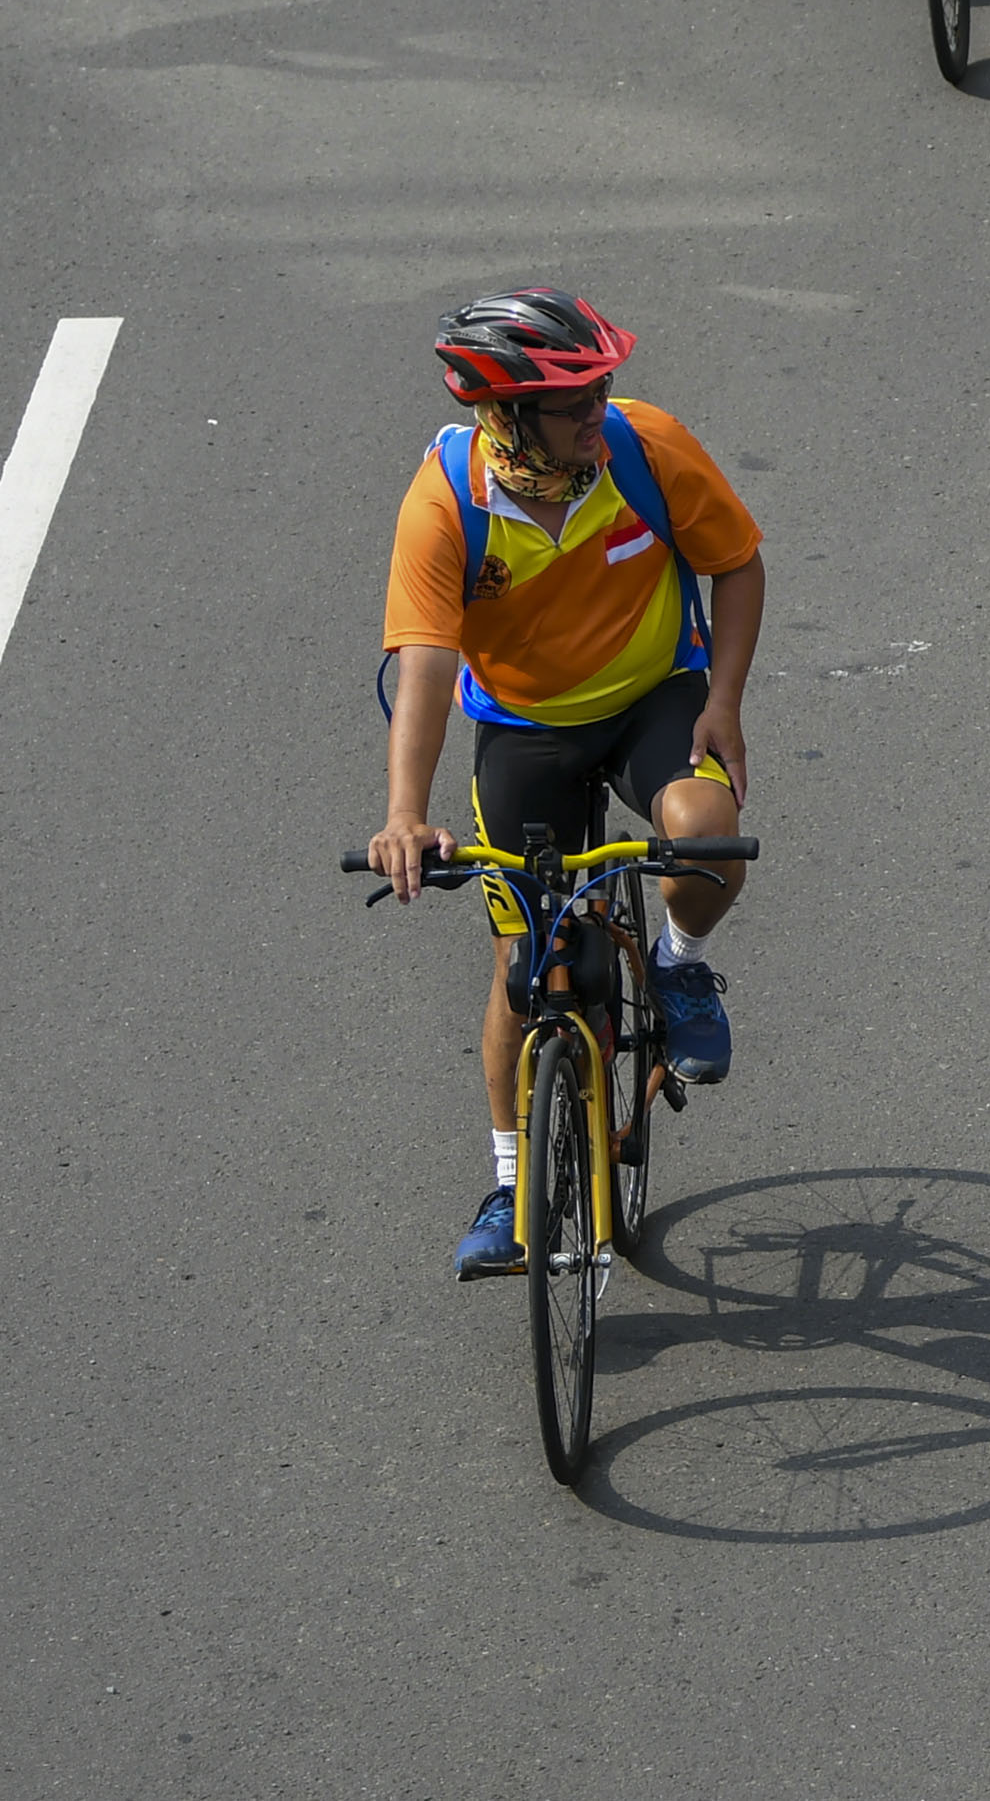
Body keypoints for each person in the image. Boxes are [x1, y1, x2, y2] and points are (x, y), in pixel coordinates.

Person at [362, 292, 767, 1282]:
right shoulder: (445, 503)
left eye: (600, 387)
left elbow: (738, 563)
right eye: (573, 399)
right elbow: (424, 665)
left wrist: (723, 702)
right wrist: (405, 814)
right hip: (524, 730)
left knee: (704, 830)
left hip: (653, 700)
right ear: (507, 416)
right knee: (523, 963)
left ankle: (678, 964)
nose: (598, 409)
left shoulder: (644, 449)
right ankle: (512, 1189)